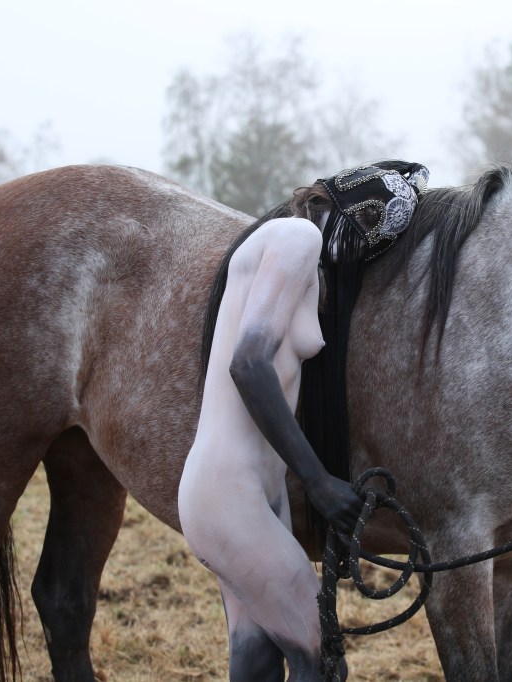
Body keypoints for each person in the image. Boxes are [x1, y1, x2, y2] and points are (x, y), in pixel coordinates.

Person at [178, 162, 429, 681]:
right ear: (343, 211)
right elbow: (248, 365)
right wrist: (318, 482)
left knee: (258, 659)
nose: (362, 250)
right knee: (321, 658)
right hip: (230, 495)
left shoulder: (294, 260)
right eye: (366, 233)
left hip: (251, 494)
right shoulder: (294, 238)